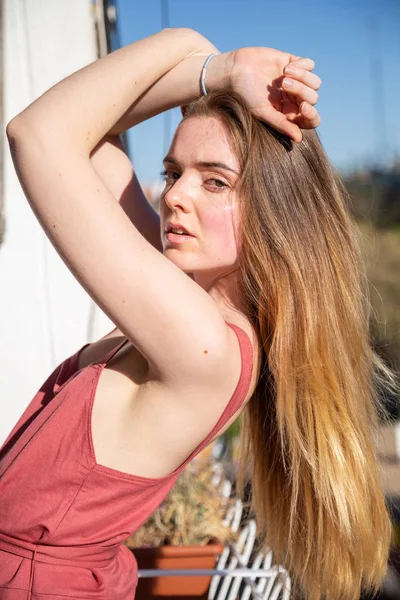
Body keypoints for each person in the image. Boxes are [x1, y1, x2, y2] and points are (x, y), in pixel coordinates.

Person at [1, 27, 396, 600]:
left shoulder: (204, 344)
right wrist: (206, 65)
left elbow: (39, 133)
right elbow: (94, 133)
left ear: (275, 213)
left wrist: (216, 61)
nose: (174, 195)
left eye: (214, 181)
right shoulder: (183, 302)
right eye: (172, 172)